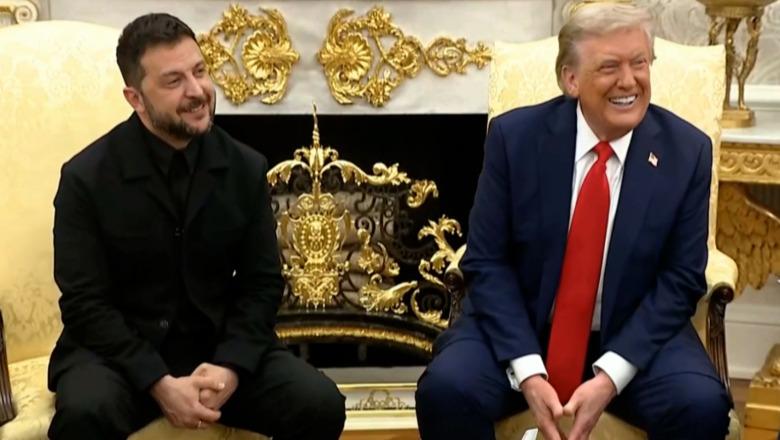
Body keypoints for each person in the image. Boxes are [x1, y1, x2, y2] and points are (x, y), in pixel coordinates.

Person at [415, 3, 731, 440]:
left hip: (633, 339)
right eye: (609, 67)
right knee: (447, 389)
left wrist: (611, 376)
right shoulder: (515, 139)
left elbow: (681, 279)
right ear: (571, 79)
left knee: (701, 405)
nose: (629, 81)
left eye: (639, 63)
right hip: (523, 329)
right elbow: (486, 261)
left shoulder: (686, 152)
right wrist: (528, 370)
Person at [47, 12, 345, 440]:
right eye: (174, 81)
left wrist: (231, 367)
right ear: (135, 98)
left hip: (216, 354)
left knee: (318, 403)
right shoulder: (85, 178)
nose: (197, 91)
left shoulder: (245, 167)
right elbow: (84, 303)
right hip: (119, 359)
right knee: (86, 413)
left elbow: (261, 284)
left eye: (200, 71)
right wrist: (157, 381)